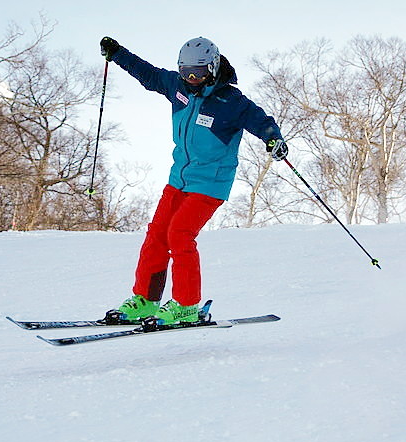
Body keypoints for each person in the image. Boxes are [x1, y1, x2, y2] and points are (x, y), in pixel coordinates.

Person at [100, 36, 288, 326]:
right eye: (186, 71)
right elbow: (147, 73)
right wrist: (118, 54)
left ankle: (187, 305)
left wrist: (273, 137)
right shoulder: (178, 87)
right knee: (157, 235)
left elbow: (260, 119)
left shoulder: (230, 101)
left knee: (180, 234)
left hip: (210, 184)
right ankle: (147, 301)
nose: (192, 78)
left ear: (212, 68)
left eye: (198, 72)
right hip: (179, 179)